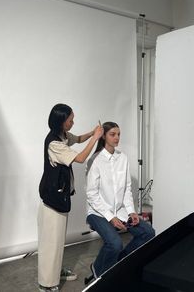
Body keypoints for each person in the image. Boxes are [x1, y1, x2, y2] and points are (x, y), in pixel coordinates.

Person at [38, 103, 103, 292]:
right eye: (70, 120)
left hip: (60, 197)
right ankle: (46, 285)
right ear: (60, 122)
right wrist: (96, 138)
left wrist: (91, 133)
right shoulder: (54, 143)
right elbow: (81, 158)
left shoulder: (63, 136)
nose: (73, 123)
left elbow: (78, 139)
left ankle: (55, 271)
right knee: (51, 243)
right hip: (52, 201)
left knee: (57, 241)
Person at [85, 121, 155, 280]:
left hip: (121, 211)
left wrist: (131, 211)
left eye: (118, 134)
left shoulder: (122, 158)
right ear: (103, 136)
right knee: (115, 243)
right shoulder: (94, 160)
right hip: (98, 213)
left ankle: (119, 263)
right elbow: (92, 195)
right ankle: (100, 272)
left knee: (148, 232)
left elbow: (127, 189)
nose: (117, 138)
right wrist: (111, 217)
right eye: (112, 134)